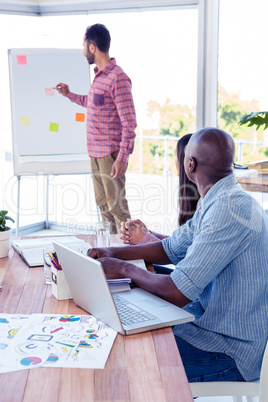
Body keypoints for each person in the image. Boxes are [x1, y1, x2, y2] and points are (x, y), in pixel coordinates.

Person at [88, 127, 268, 383]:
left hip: (229, 349)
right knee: (129, 325)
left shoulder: (228, 210)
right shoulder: (220, 198)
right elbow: (170, 248)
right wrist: (110, 251)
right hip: (208, 322)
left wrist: (123, 268)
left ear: (190, 164)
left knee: (129, 358)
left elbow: (177, 292)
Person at [56, 23, 137, 234]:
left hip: (110, 155)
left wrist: (123, 158)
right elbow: (92, 104)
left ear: (92, 47)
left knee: (118, 209)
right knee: (104, 208)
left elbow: (129, 122)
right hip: (95, 153)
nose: (83, 51)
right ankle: (112, 254)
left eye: (84, 46)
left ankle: (129, 256)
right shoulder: (99, 78)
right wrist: (69, 95)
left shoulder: (118, 78)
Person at [119, 134, 200, 245]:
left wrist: (143, 239)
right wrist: (146, 234)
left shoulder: (203, 204)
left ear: (190, 163)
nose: (174, 160)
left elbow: (186, 256)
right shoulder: (197, 197)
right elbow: (179, 246)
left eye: (175, 155)